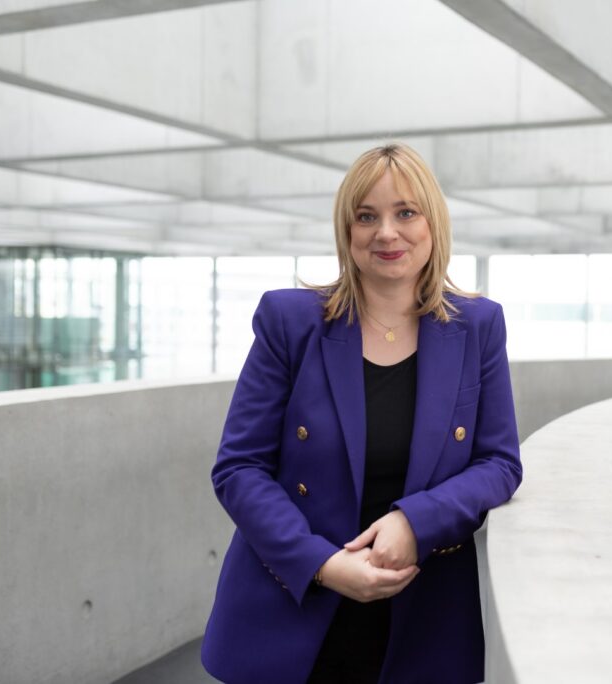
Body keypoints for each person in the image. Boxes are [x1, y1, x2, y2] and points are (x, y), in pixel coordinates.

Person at [200, 142, 522, 684]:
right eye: (366, 216)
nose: (386, 233)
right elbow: (238, 468)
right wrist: (321, 565)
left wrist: (414, 521)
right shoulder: (290, 322)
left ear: (432, 224)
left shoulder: (478, 327)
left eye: (405, 213)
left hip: (422, 611)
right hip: (295, 600)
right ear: (346, 232)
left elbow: (499, 463)